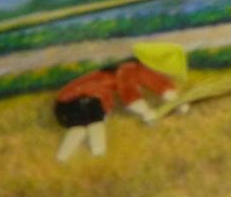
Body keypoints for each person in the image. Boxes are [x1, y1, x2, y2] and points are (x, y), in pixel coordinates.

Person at [54, 42, 187, 162]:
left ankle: (62, 159)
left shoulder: (128, 67)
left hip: (64, 104)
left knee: (79, 128)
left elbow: (158, 84)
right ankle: (98, 157)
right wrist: (147, 112)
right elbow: (129, 93)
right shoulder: (129, 68)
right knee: (95, 125)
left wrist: (175, 101)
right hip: (84, 99)